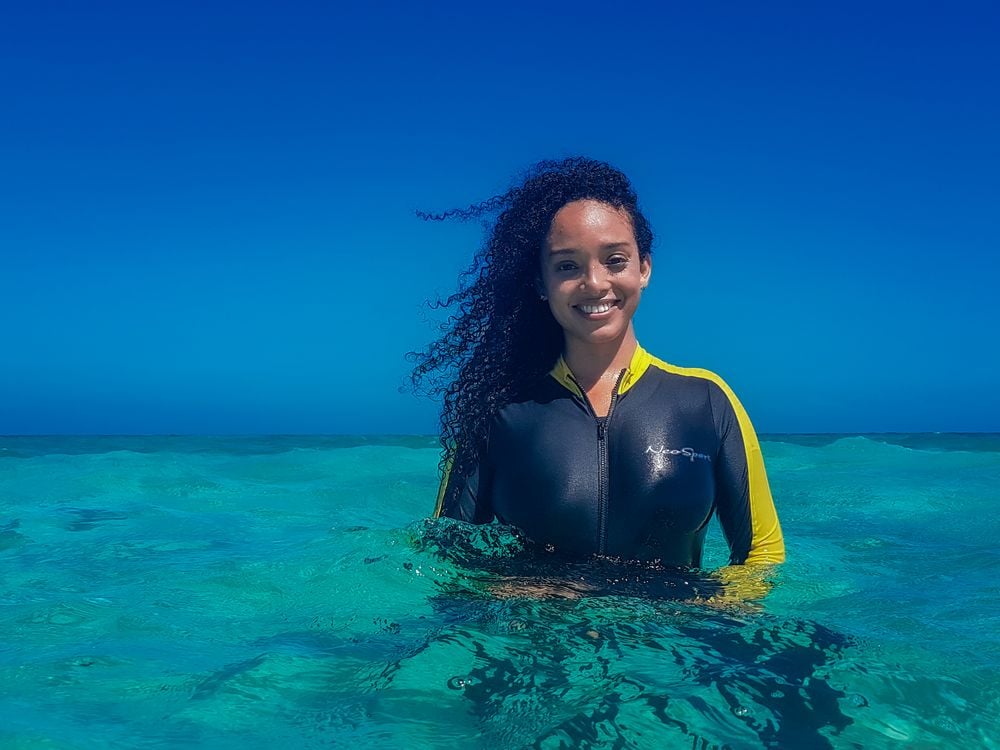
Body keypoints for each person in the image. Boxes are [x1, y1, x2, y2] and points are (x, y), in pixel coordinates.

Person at [411, 157, 784, 568]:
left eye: (615, 260)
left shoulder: (707, 401)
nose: (594, 283)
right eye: (567, 266)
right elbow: (445, 557)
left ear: (644, 268)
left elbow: (761, 555)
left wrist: (712, 614)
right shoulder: (498, 411)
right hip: (536, 631)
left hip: (673, 632)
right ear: (540, 281)